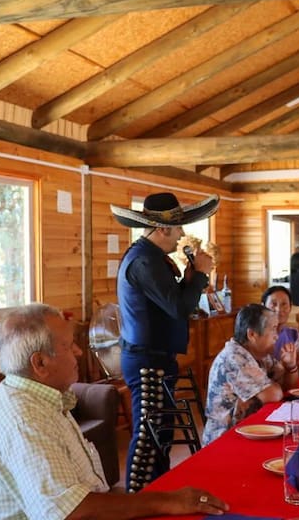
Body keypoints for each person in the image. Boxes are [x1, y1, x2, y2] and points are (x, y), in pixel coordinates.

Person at [0, 303, 229, 519]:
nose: (79, 352)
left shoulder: (42, 400)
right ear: (40, 363)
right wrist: (168, 501)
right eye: (69, 345)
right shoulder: (24, 420)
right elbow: (71, 512)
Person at [111, 192, 219, 491]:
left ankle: (157, 495)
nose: (181, 234)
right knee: (148, 437)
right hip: (146, 359)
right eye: (177, 227)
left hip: (154, 357)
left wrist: (191, 278)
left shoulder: (151, 258)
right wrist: (199, 276)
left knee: (161, 435)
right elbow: (179, 307)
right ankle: (138, 501)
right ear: (162, 229)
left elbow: (172, 302)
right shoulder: (144, 261)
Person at [203, 303, 299, 445]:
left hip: (251, 430)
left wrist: (291, 367)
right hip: (224, 441)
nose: (277, 336)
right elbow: (273, 395)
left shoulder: (260, 354)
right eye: (273, 329)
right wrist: (276, 385)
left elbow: (287, 388)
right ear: (252, 334)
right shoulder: (235, 357)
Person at [261, 285, 299, 374]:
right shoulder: (257, 337)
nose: (279, 309)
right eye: (273, 304)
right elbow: (266, 375)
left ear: (290, 308)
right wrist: (295, 354)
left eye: (284, 304)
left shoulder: (294, 334)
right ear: (263, 307)